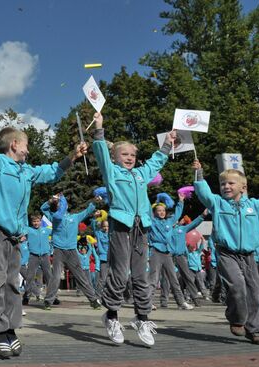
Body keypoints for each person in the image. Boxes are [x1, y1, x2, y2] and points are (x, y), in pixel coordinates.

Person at [0, 119, 86, 357]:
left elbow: (52, 171)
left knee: (12, 282)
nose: (29, 150)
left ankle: (11, 328)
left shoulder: (27, 171)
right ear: (14, 144)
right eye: (26, 145)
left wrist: (73, 156)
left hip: (16, 234)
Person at [92, 111, 175, 346]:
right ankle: (111, 316)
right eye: (124, 154)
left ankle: (142, 318)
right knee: (119, 273)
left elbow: (156, 161)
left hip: (142, 227)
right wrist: (99, 129)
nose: (129, 157)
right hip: (120, 224)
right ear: (115, 157)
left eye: (132, 154)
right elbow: (100, 153)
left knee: (141, 275)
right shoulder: (112, 172)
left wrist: (168, 144)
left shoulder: (140, 174)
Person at [192, 160, 259, 344]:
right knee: (237, 286)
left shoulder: (254, 206)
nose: (226, 186)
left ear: (243, 186)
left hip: (249, 255)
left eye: (231, 183)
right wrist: (199, 173)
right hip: (226, 254)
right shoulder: (218, 203)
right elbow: (204, 193)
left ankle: (254, 329)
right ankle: (237, 319)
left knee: (254, 293)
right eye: (223, 183)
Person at [42, 194, 101, 310]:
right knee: (56, 277)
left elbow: (88, 210)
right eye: (57, 204)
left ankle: (93, 300)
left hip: (72, 251)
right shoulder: (54, 217)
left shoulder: (75, 217)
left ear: (65, 205)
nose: (59, 205)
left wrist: (95, 201)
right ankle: (48, 301)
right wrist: (50, 201)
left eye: (60, 203)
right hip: (59, 250)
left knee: (81, 277)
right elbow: (43, 208)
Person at [147, 195, 195, 311]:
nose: (162, 212)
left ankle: (181, 302)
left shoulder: (169, 221)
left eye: (163, 210)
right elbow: (147, 210)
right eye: (159, 211)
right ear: (154, 212)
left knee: (173, 278)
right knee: (153, 279)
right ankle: (147, 303)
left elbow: (178, 214)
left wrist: (181, 201)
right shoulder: (152, 221)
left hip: (167, 253)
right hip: (156, 252)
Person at [23, 213, 52, 305]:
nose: (36, 223)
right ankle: (27, 296)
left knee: (49, 277)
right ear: (31, 222)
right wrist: (22, 237)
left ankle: (52, 297)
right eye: (34, 221)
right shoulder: (28, 230)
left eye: (38, 221)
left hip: (45, 256)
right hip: (33, 256)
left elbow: (57, 231)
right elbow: (20, 233)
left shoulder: (46, 230)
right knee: (29, 277)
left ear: (40, 221)